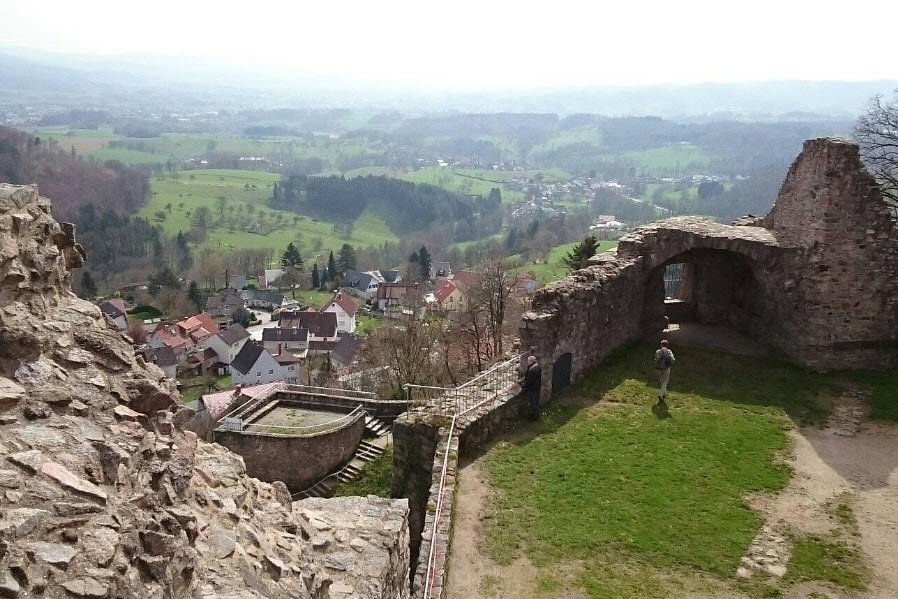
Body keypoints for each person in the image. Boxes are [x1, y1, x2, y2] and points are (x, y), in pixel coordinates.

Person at [519, 355, 542, 420]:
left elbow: (529, 381)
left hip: (533, 389)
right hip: (537, 387)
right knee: (535, 402)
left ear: (531, 361)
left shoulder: (532, 370)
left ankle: (534, 416)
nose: (527, 362)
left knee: (533, 403)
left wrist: (523, 386)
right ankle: (535, 415)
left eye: (528, 361)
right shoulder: (537, 366)